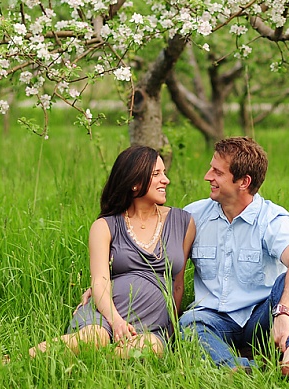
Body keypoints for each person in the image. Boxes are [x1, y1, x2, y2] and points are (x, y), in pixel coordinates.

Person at [28, 145, 196, 358]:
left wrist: (171, 329)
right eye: (156, 174)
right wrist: (115, 321)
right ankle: (18, 361)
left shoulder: (183, 221)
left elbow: (177, 284)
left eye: (164, 173)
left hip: (153, 325)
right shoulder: (105, 226)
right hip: (106, 315)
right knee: (93, 339)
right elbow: (99, 281)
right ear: (135, 183)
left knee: (145, 349)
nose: (166, 180)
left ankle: (93, 367)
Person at [179, 137, 289, 376]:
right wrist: (106, 280)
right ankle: (240, 370)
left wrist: (283, 312)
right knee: (189, 324)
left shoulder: (271, 219)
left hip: (261, 319)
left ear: (244, 181)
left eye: (217, 172)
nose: (207, 176)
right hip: (212, 321)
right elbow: (154, 258)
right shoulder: (193, 215)